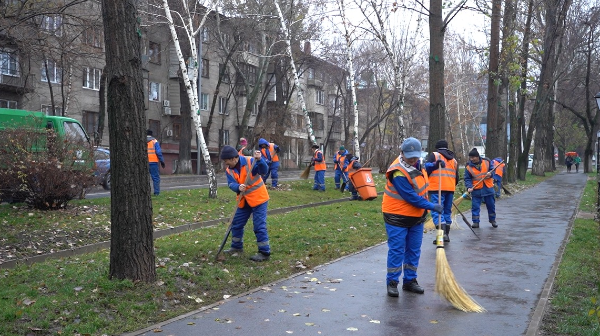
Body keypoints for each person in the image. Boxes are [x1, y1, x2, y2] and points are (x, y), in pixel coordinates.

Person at [383, 137, 444, 297]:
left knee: (414, 250)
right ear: (401, 153)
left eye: (416, 156)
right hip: (397, 217)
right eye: (410, 157)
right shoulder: (398, 172)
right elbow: (410, 197)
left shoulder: (417, 163)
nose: (413, 160)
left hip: (416, 217)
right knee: (397, 250)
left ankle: (410, 280)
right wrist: (432, 206)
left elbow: (422, 171)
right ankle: (392, 282)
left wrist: (435, 165)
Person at [220, 145, 271, 262]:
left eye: (226, 161)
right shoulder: (229, 170)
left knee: (259, 225)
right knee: (236, 223)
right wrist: (238, 187)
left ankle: (264, 252)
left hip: (259, 199)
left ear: (234, 158)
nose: (225, 164)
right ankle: (236, 247)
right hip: (243, 200)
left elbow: (264, 171)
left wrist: (260, 160)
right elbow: (230, 184)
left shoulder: (250, 162)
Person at [424, 139, 459, 243]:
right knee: (447, 212)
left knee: (437, 211)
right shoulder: (454, 160)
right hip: (450, 188)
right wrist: (450, 186)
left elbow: (426, 167)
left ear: (437, 148)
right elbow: (457, 177)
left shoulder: (435, 155)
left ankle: (440, 238)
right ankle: (446, 236)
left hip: (436, 187)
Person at [464, 148, 497, 228]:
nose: (471, 159)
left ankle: (492, 220)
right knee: (475, 207)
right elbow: (467, 178)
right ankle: (475, 222)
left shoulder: (487, 161)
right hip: (476, 189)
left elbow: (493, 170)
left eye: (473, 157)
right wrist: (469, 187)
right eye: (470, 158)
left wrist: (491, 174)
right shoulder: (468, 166)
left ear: (477, 156)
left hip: (488, 187)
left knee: (491, 205)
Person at [147, 129, 165, 196]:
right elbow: (158, 152)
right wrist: (162, 161)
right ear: (151, 134)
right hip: (153, 162)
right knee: (155, 178)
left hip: (143, 162)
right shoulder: (154, 141)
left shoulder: (141, 141)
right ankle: (156, 193)